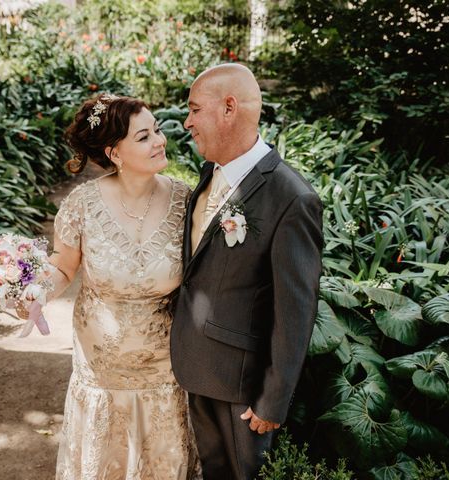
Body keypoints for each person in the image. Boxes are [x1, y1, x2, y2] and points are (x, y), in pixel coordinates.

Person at [22, 93, 201, 479]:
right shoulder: (81, 204)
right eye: (143, 137)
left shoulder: (186, 200)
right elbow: (64, 268)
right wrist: (37, 292)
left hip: (164, 372)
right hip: (101, 375)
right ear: (114, 152)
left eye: (157, 130)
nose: (159, 141)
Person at [170, 63, 324, 479]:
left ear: (229, 108)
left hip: (242, 390)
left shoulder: (292, 198)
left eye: (194, 109)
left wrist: (272, 400)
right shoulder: (208, 175)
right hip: (198, 369)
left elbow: (295, 310)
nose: (187, 122)